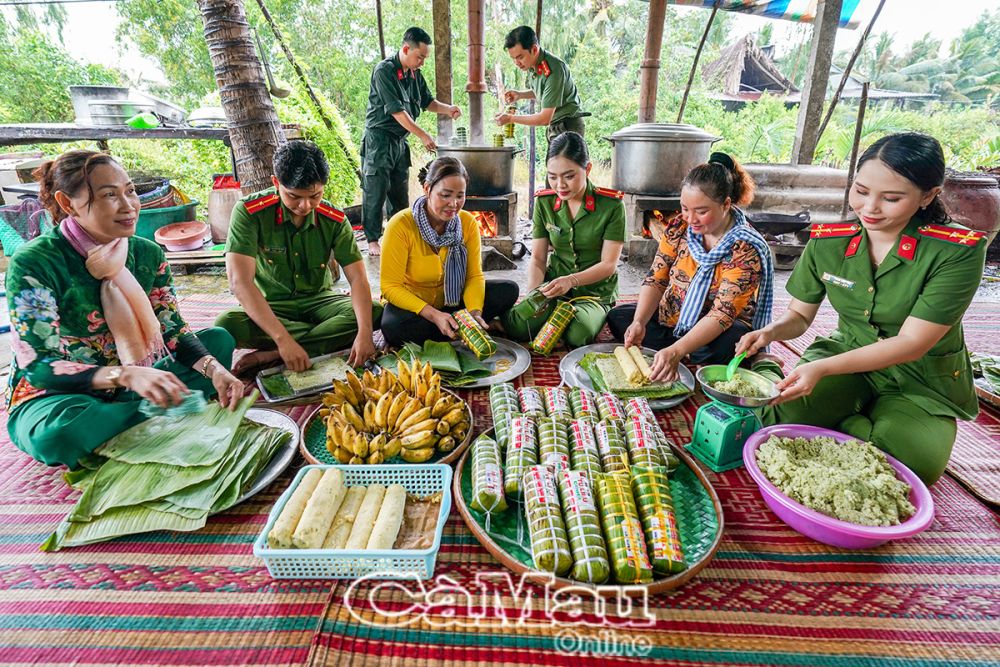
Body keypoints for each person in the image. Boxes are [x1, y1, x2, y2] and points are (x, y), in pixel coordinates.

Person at [737, 133, 987, 485]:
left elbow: (912, 343)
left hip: (919, 378)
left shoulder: (956, 250)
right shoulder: (830, 241)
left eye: (892, 198)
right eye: (861, 190)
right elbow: (799, 316)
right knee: (770, 421)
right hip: (847, 356)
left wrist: (821, 369)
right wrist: (771, 332)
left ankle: (852, 417)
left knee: (911, 467)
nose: (869, 208)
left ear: (928, 195)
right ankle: (842, 408)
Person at [4, 150, 243, 469]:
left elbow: (173, 330)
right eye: (109, 195)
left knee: (219, 343)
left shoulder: (146, 253)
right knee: (57, 433)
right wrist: (124, 375)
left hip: (142, 372)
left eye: (130, 191)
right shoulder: (37, 263)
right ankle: (153, 410)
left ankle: (138, 414)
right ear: (67, 202)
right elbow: (40, 366)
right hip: (68, 392)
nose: (128, 205)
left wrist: (215, 370)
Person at [215, 140, 381, 374]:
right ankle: (317, 338)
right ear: (276, 182)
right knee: (226, 325)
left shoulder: (334, 219)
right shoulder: (249, 212)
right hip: (271, 306)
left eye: (315, 196)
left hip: (319, 301)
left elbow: (358, 279)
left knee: (373, 312)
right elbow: (239, 283)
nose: (305, 206)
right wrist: (282, 338)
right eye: (294, 196)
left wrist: (365, 335)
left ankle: (273, 354)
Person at [607, 152, 774, 382]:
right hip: (675, 315)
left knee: (728, 344)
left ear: (726, 204)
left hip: (717, 328)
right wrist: (639, 322)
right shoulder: (679, 227)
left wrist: (677, 350)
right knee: (620, 318)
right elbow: (657, 278)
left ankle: (679, 349)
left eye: (701, 211)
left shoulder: (744, 249)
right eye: (685, 208)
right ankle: (680, 347)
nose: (690, 218)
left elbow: (722, 314)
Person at [501, 132, 624, 347]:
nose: (560, 185)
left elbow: (608, 265)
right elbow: (538, 258)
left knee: (577, 334)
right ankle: (548, 313)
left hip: (592, 293)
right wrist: (534, 296)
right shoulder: (544, 202)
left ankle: (595, 315)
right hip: (553, 286)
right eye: (552, 176)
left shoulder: (611, 206)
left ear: (587, 169)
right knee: (518, 326)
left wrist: (571, 281)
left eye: (569, 176)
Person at [379, 157, 518, 346]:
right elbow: (390, 287)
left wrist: (474, 312)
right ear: (427, 189)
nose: (453, 204)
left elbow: (473, 276)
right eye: (446, 195)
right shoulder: (401, 225)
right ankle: (453, 327)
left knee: (508, 290)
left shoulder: (467, 223)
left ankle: (456, 326)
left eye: (460, 196)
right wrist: (435, 315)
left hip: (453, 300)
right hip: (418, 308)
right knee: (393, 328)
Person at [361, 27, 462, 256]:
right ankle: (372, 240)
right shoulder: (384, 71)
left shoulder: (414, 74)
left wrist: (448, 109)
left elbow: (427, 102)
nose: (422, 62)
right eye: (420, 57)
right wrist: (423, 135)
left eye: (425, 58)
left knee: (399, 192)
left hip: (399, 141)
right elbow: (398, 113)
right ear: (406, 49)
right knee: (375, 190)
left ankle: (398, 235)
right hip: (379, 140)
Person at [496, 26, 586, 142]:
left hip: (568, 126)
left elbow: (544, 119)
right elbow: (546, 93)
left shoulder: (554, 69)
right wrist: (520, 95)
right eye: (513, 58)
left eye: (520, 57)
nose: (516, 63)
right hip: (556, 126)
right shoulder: (531, 65)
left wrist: (510, 118)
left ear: (534, 49)